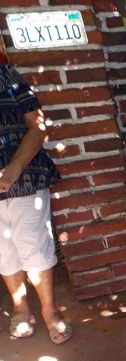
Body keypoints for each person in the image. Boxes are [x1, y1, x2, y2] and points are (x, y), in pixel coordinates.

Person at [0, 37, 71, 344]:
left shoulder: (8, 77)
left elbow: (38, 126)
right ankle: (19, 305)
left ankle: (50, 310)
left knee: (33, 243)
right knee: (2, 248)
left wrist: (15, 166)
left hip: (23, 174)